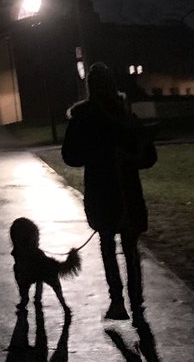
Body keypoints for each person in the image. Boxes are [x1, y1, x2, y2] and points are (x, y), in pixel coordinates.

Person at [62, 62, 157, 324]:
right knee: (130, 249)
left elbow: (70, 155)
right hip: (127, 191)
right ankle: (136, 304)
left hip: (102, 191)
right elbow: (148, 156)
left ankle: (118, 301)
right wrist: (127, 157)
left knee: (108, 246)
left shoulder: (84, 117)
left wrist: (95, 155)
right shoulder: (126, 116)